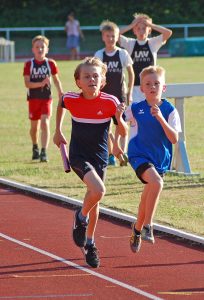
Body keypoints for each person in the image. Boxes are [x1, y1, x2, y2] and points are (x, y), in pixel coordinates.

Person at [53, 57, 128, 268]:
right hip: (78, 156)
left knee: (95, 200)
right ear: (78, 81)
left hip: (100, 157)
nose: (92, 79)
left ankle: (89, 243)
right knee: (99, 190)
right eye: (87, 76)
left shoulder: (110, 102)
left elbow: (122, 131)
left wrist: (120, 119)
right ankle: (80, 216)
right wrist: (57, 131)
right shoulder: (71, 98)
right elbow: (61, 103)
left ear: (103, 80)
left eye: (96, 76)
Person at [125, 65, 181, 252]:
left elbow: (174, 139)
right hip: (138, 155)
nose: (152, 87)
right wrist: (116, 138)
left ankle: (138, 229)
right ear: (142, 88)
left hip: (160, 160)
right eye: (148, 84)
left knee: (146, 198)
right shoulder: (135, 108)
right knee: (156, 183)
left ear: (163, 87)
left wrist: (160, 119)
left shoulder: (170, 110)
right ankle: (149, 225)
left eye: (157, 83)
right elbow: (119, 122)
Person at [95, 20, 134, 166]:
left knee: (121, 125)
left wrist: (129, 92)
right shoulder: (99, 55)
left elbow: (131, 73)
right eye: (108, 36)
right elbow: (95, 75)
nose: (111, 39)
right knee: (106, 127)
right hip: (104, 97)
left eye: (113, 36)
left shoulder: (122, 54)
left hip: (119, 96)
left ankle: (121, 154)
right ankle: (111, 153)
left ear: (117, 37)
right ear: (103, 37)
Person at [23, 35, 63, 162]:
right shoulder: (29, 64)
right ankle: (35, 146)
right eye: (37, 47)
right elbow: (27, 83)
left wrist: (61, 92)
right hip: (33, 99)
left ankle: (44, 151)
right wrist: (41, 83)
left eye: (42, 47)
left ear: (47, 49)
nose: (40, 49)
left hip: (46, 98)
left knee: (45, 123)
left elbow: (56, 80)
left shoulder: (50, 63)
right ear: (32, 49)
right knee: (34, 127)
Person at [119, 13, 172, 103]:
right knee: (136, 114)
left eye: (144, 28)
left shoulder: (153, 43)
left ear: (149, 30)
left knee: (152, 111)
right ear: (134, 31)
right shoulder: (130, 43)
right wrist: (132, 25)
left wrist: (150, 24)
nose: (141, 31)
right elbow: (115, 34)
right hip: (135, 86)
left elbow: (168, 33)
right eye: (138, 28)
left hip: (151, 86)